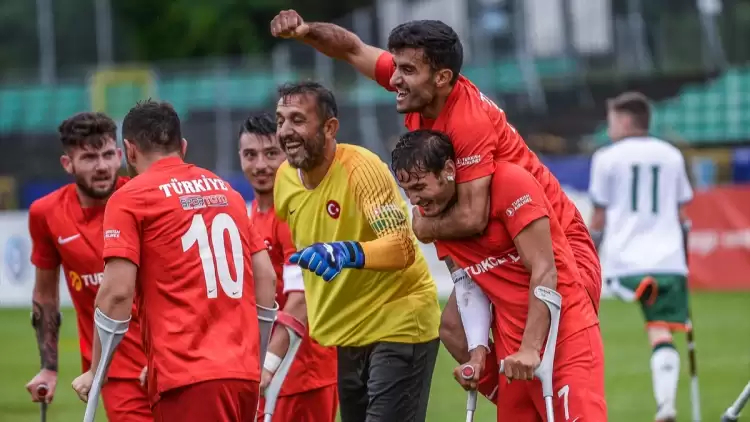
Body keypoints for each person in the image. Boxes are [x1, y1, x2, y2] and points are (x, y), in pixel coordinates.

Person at [270, 11, 602, 403]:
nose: (394, 79)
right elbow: (352, 47)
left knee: (563, 372)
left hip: (554, 240)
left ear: (441, 77)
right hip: (502, 246)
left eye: (406, 70)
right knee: (455, 332)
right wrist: (308, 31)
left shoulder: (467, 123)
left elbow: (473, 216)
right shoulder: (418, 89)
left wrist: (421, 227)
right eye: (395, 67)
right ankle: (509, 394)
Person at [70, 100, 278, 421]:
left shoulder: (130, 197)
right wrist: (256, 361)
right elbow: (266, 279)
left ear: (128, 150)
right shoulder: (228, 193)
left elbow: (117, 294)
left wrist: (97, 371)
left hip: (187, 378)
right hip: (242, 376)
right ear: (182, 146)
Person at [392, 129, 606, 421]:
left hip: (564, 336)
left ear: (449, 170)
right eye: (408, 191)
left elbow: (544, 269)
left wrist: (531, 348)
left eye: (420, 186)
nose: (416, 200)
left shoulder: (510, 182)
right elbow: (468, 283)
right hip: (512, 356)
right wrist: (478, 353)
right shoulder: (436, 215)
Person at [272, 81, 441, 422]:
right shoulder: (285, 179)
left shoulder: (363, 169)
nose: (286, 131)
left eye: (297, 120)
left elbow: (401, 247)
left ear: (330, 127)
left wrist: (346, 252)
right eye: (280, 121)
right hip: (348, 334)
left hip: (398, 321)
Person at [25, 112, 151, 421]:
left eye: (108, 155)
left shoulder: (144, 199)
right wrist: (48, 367)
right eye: (89, 157)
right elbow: (46, 297)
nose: (102, 166)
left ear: (121, 154)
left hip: (168, 361)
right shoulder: (46, 214)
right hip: (113, 369)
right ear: (68, 164)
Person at [589, 92, 693, 422]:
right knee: (660, 331)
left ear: (624, 121)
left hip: (622, 263)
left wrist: (587, 254)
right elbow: (682, 215)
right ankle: (665, 403)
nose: (608, 127)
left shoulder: (606, 157)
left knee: (586, 323)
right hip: (668, 261)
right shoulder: (672, 155)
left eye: (611, 120)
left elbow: (598, 218)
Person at [238, 112, 339, 422]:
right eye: (250, 155)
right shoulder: (253, 213)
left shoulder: (293, 213)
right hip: (273, 370)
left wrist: (266, 367)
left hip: (305, 370)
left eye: (271, 154)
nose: (260, 165)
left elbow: (301, 296)